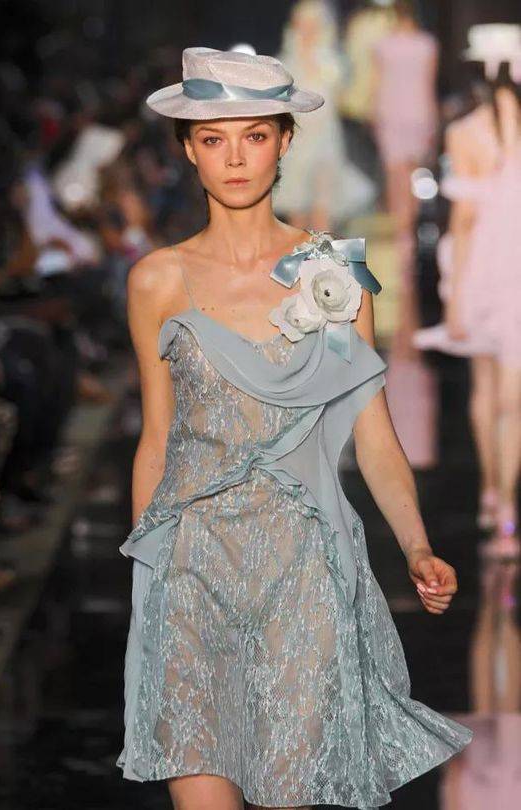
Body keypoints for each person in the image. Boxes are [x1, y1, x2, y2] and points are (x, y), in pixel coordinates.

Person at [117, 46, 472, 810]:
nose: (234, 157)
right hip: (193, 570)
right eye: (213, 138)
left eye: (253, 135)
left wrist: (416, 545)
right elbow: (157, 438)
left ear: (284, 140)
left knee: (290, 794)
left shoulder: (333, 275)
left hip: (303, 571)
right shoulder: (156, 280)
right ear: (188, 149)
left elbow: (373, 432)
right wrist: (149, 585)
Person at [414, 25, 521, 557]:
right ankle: (505, 506)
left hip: (483, 269)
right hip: (510, 269)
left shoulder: (465, 131)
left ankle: (492, 494)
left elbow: (463, 219)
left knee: (488, 387)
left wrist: (453, 299)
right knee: (511, 398)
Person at [272, 0, 375, 231]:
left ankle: (323, 255)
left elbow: (341, 97)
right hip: (296, 143)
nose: (307, 30)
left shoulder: (332, 63)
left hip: (325, 142)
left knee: (323, 210)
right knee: (297, 212)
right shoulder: (284, 63)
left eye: (313, 24)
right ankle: (300, 254)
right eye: (303, 24)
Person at [372, 0, 439, 233]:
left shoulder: (383, 45)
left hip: (390, 114)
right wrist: (433, 121)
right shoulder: (427, 44)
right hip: (418, 114)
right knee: (412, 176)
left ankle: (401, 235)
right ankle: (409, 233)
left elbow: (377, 85)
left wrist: (374, 114)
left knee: (395, 177)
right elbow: (429, 86)